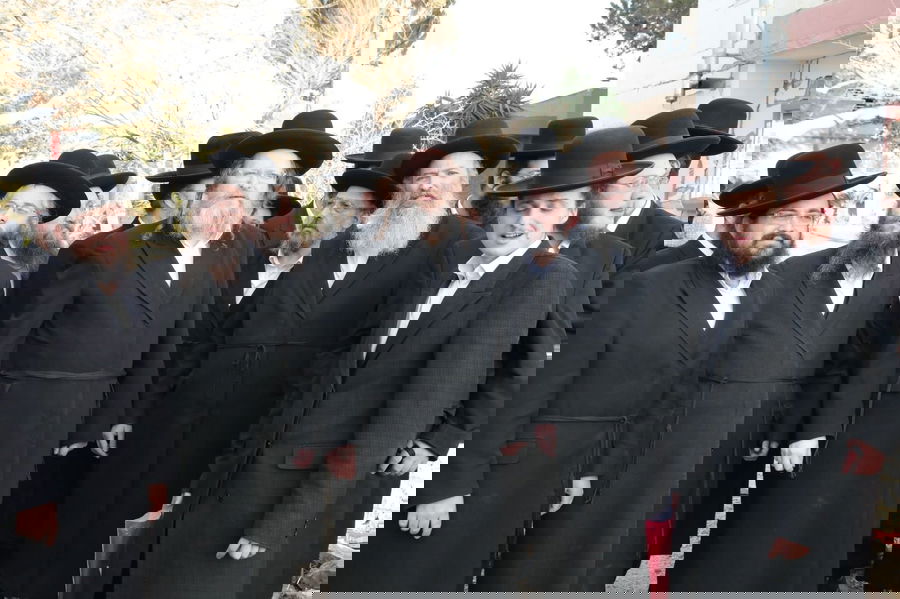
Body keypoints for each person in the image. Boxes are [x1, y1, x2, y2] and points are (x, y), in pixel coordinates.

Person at [467, 143, 889, 591]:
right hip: (618, 445)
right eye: (812, 210)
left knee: (593, 564)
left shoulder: (812, 282)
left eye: (826, 210)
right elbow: (608, 369)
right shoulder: (680, 276)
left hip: (699, 461)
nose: (821, 220)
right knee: (544, 555)